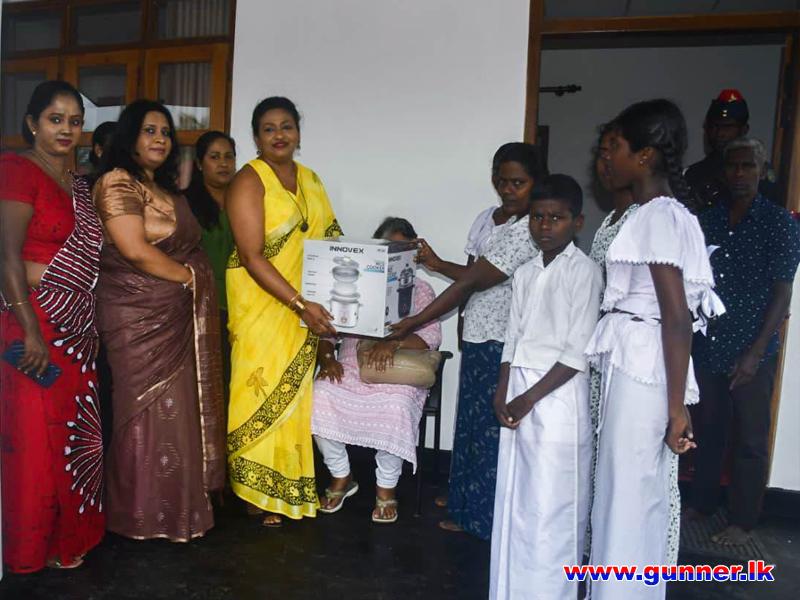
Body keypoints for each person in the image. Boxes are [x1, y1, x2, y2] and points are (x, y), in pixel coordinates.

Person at [583, 99, 724, 600]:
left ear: (644, 156)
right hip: (638, 360)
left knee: (628, 497)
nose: (606, 157)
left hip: (643, 367)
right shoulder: (653, 213)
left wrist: (676, 407)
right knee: (626, 492)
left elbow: (677, 316)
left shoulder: (658, 216)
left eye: (616, 147)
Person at [393, 142, 546, 539]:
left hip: (505, 339)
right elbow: (472, 274)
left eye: (519, 182)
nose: (509, 189)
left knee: (491, 427)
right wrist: (445, 281)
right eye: (503, 181)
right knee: (470, 423)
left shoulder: (529, 229)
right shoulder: (487, 219)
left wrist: (419, 316)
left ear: (535, 182)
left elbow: (476, 279)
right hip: (478, 332)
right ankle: (463, 498)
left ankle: (482, 517)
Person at [93, 99, 226, 542]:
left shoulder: (166, 189)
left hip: (176, 316)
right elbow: (133, 250)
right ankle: (139, 514)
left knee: (179, 409)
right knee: (142, 411)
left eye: (166, 132)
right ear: (130, 136)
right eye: (149, 130)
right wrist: (190, 279)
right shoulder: (117, 182)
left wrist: (188, 283)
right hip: (135, 316)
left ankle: (178, 511)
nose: (160, 139)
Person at [0, 80, 105, 571]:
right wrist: (30, 330)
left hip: (76, 331)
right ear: (32, 123)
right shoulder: (17, 170)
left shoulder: (79, 184)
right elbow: (7, 257)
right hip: (33, 324)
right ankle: (31, 549)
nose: (66, 129)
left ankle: (70, 537)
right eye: (55, 119)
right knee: (35, 443)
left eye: (74, 121)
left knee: (72, 434)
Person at [226, 96, 341, 527]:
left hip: (304, 304)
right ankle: (254, 491)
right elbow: (251, 256)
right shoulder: (248, 181)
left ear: (298, 132)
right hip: (262, 303)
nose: (279, 135)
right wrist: (298, 304)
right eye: (269, 128)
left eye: (287, 126)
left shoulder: (311, 179)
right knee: (257, 390)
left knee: (295, 397)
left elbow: (330, 243)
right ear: (256, 138)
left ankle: (286, 485)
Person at [490, 174, 602, 599]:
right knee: (518, 497)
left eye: (557, 218)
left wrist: (528, 398)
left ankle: (551, 591)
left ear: (577, 222)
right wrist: (503, 391)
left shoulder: (584, 272)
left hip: (557, 395)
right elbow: (512, 338)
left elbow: (577, 350)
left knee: (552, 501)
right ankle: (513, 588)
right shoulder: (524, 272)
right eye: (538, 217)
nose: (545, 226)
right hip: (519, 388)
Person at [688, 137, 800, 545]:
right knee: (708, 430)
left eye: (748, 166)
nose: (739, 173)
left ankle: (743, 520)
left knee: (751, 439)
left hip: (754, 348)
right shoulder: (707, 221)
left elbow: (782, 293)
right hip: (710, 344)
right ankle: (702, 503)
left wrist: (754, 353)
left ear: (762, 170)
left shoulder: (779, 223)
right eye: (733, 166)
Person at [312, 217, 442, 524]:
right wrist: (327, 357)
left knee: (395, 406)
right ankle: (341, 476)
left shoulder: (421, 290)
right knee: (320, 394)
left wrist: (393, 343)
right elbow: (327, 330)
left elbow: (431, 337)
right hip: (351, 363)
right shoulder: (355, 282)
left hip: (396, 370)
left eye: (401, 249)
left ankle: (386, 488)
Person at [584, 124, 642, 556]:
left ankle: (625, 560)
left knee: (626, 464)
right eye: (600, 152)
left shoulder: (646, 218)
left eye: (613, 151)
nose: (604, 161)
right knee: (600, 458)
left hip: (632, 357)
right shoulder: (611, 219)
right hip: (604, 352)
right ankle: (599, 552)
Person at [183, 131, 237, 398]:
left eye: (229, 156)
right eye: (214, 157)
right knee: (206, 387)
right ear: (200, 163)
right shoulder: (185, 204)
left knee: (235, 384)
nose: (223, 163)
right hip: (201, 307)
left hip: (241, 307)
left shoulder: (246, 200)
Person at [685, 89, 779, 209]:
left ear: (744, 130)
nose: (720, 133)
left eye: (727, 127)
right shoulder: (695, 172)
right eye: (714, 126)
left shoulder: (758, 170)